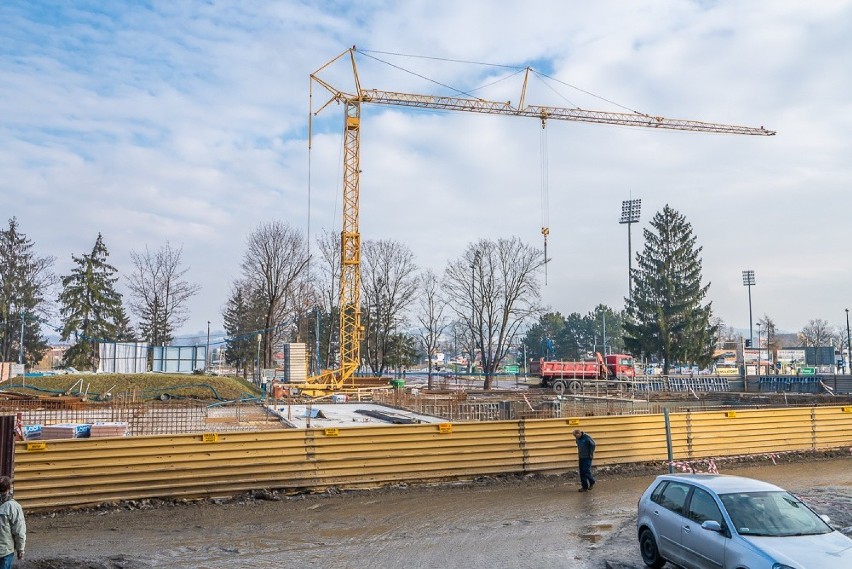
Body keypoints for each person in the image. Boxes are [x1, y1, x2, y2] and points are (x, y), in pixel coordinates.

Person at [0, 476, 25, 568]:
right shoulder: (13, 506)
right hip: (4, 551)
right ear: (9, 489)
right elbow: (19, 531)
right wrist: (20, 549)